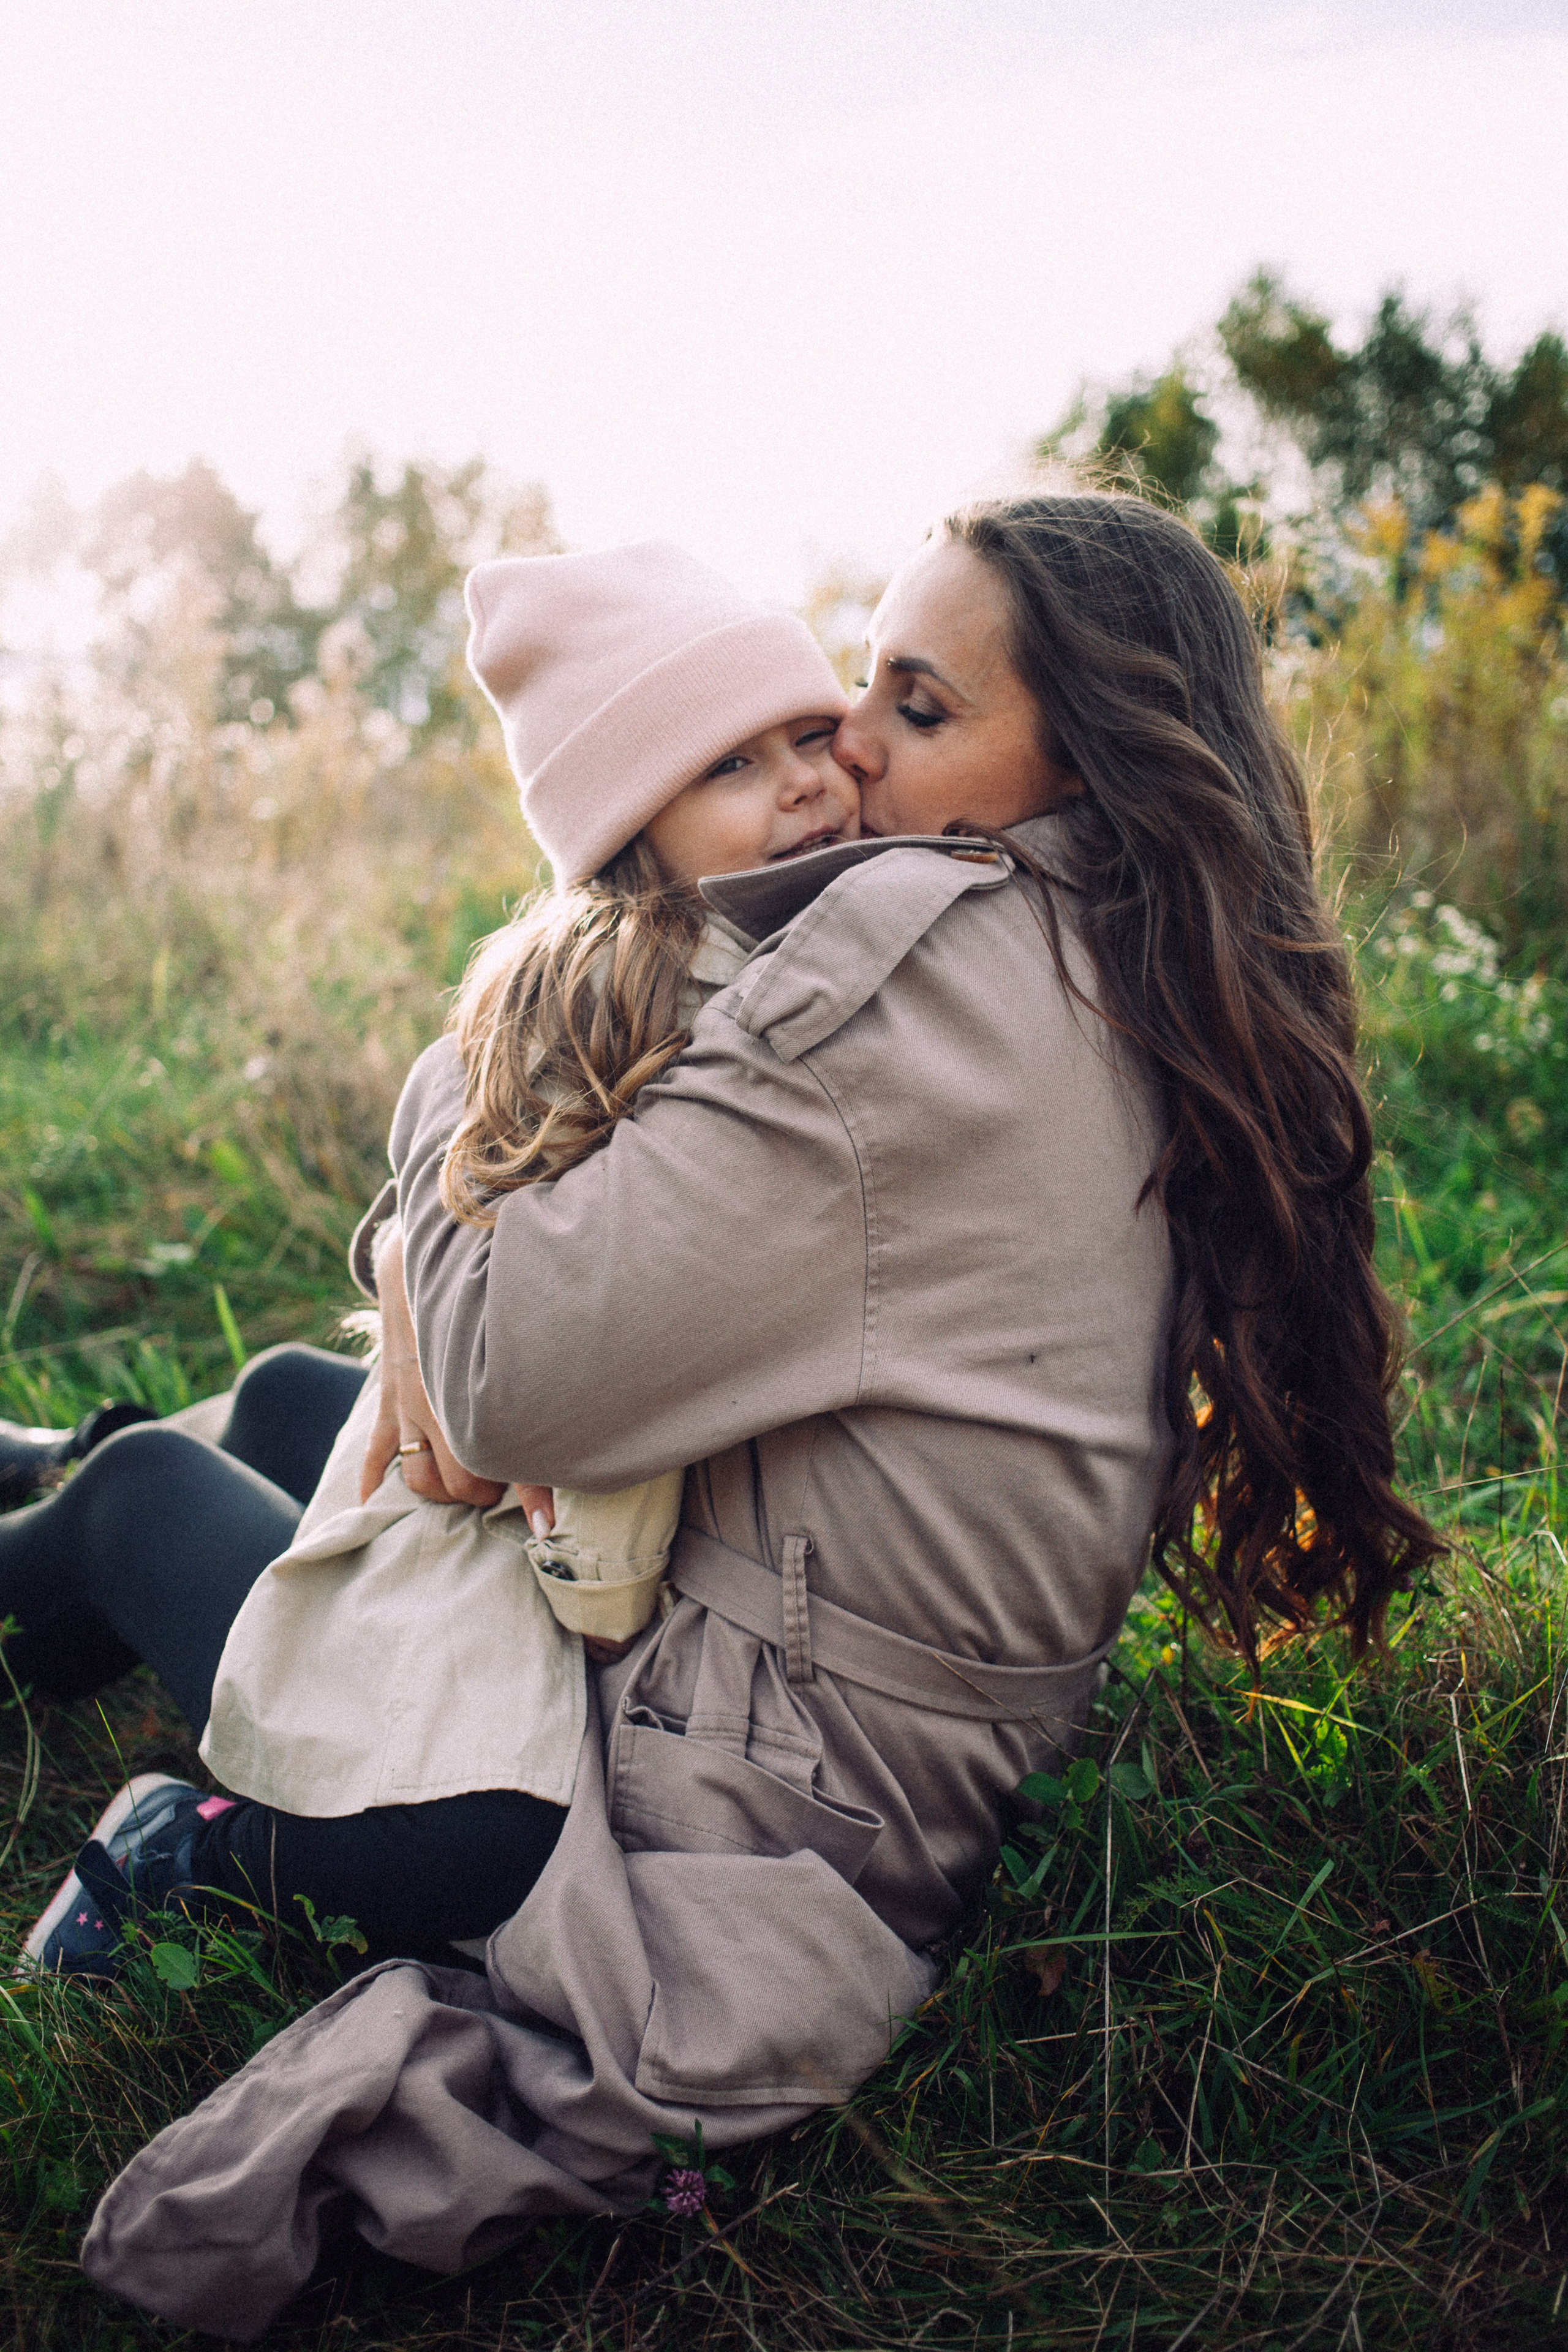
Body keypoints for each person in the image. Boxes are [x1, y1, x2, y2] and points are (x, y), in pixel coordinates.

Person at [80, 491, 1441, 2338]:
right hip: (849, 1685)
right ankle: (57, 1467)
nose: (849, 751)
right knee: (312, 1394)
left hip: (751, 1783)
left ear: (1092, 749)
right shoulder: (1125, 949)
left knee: (179, 1482)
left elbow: (495, 1383)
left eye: (913, 706)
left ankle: (119, 1627)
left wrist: (455, 1084)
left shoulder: (920, 981)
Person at [2, 541, 853, 1973]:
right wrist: (422, 1264)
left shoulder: (836, 954)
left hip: (494, 1520)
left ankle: (97, 1443)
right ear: (632, 836)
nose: (802, 783)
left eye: (815, 733)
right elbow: (473, 1439)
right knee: (440, 1819)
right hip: (478, 1511)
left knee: (291, 1400)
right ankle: (160, 1774)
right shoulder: (621, 1008)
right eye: (728, 766)